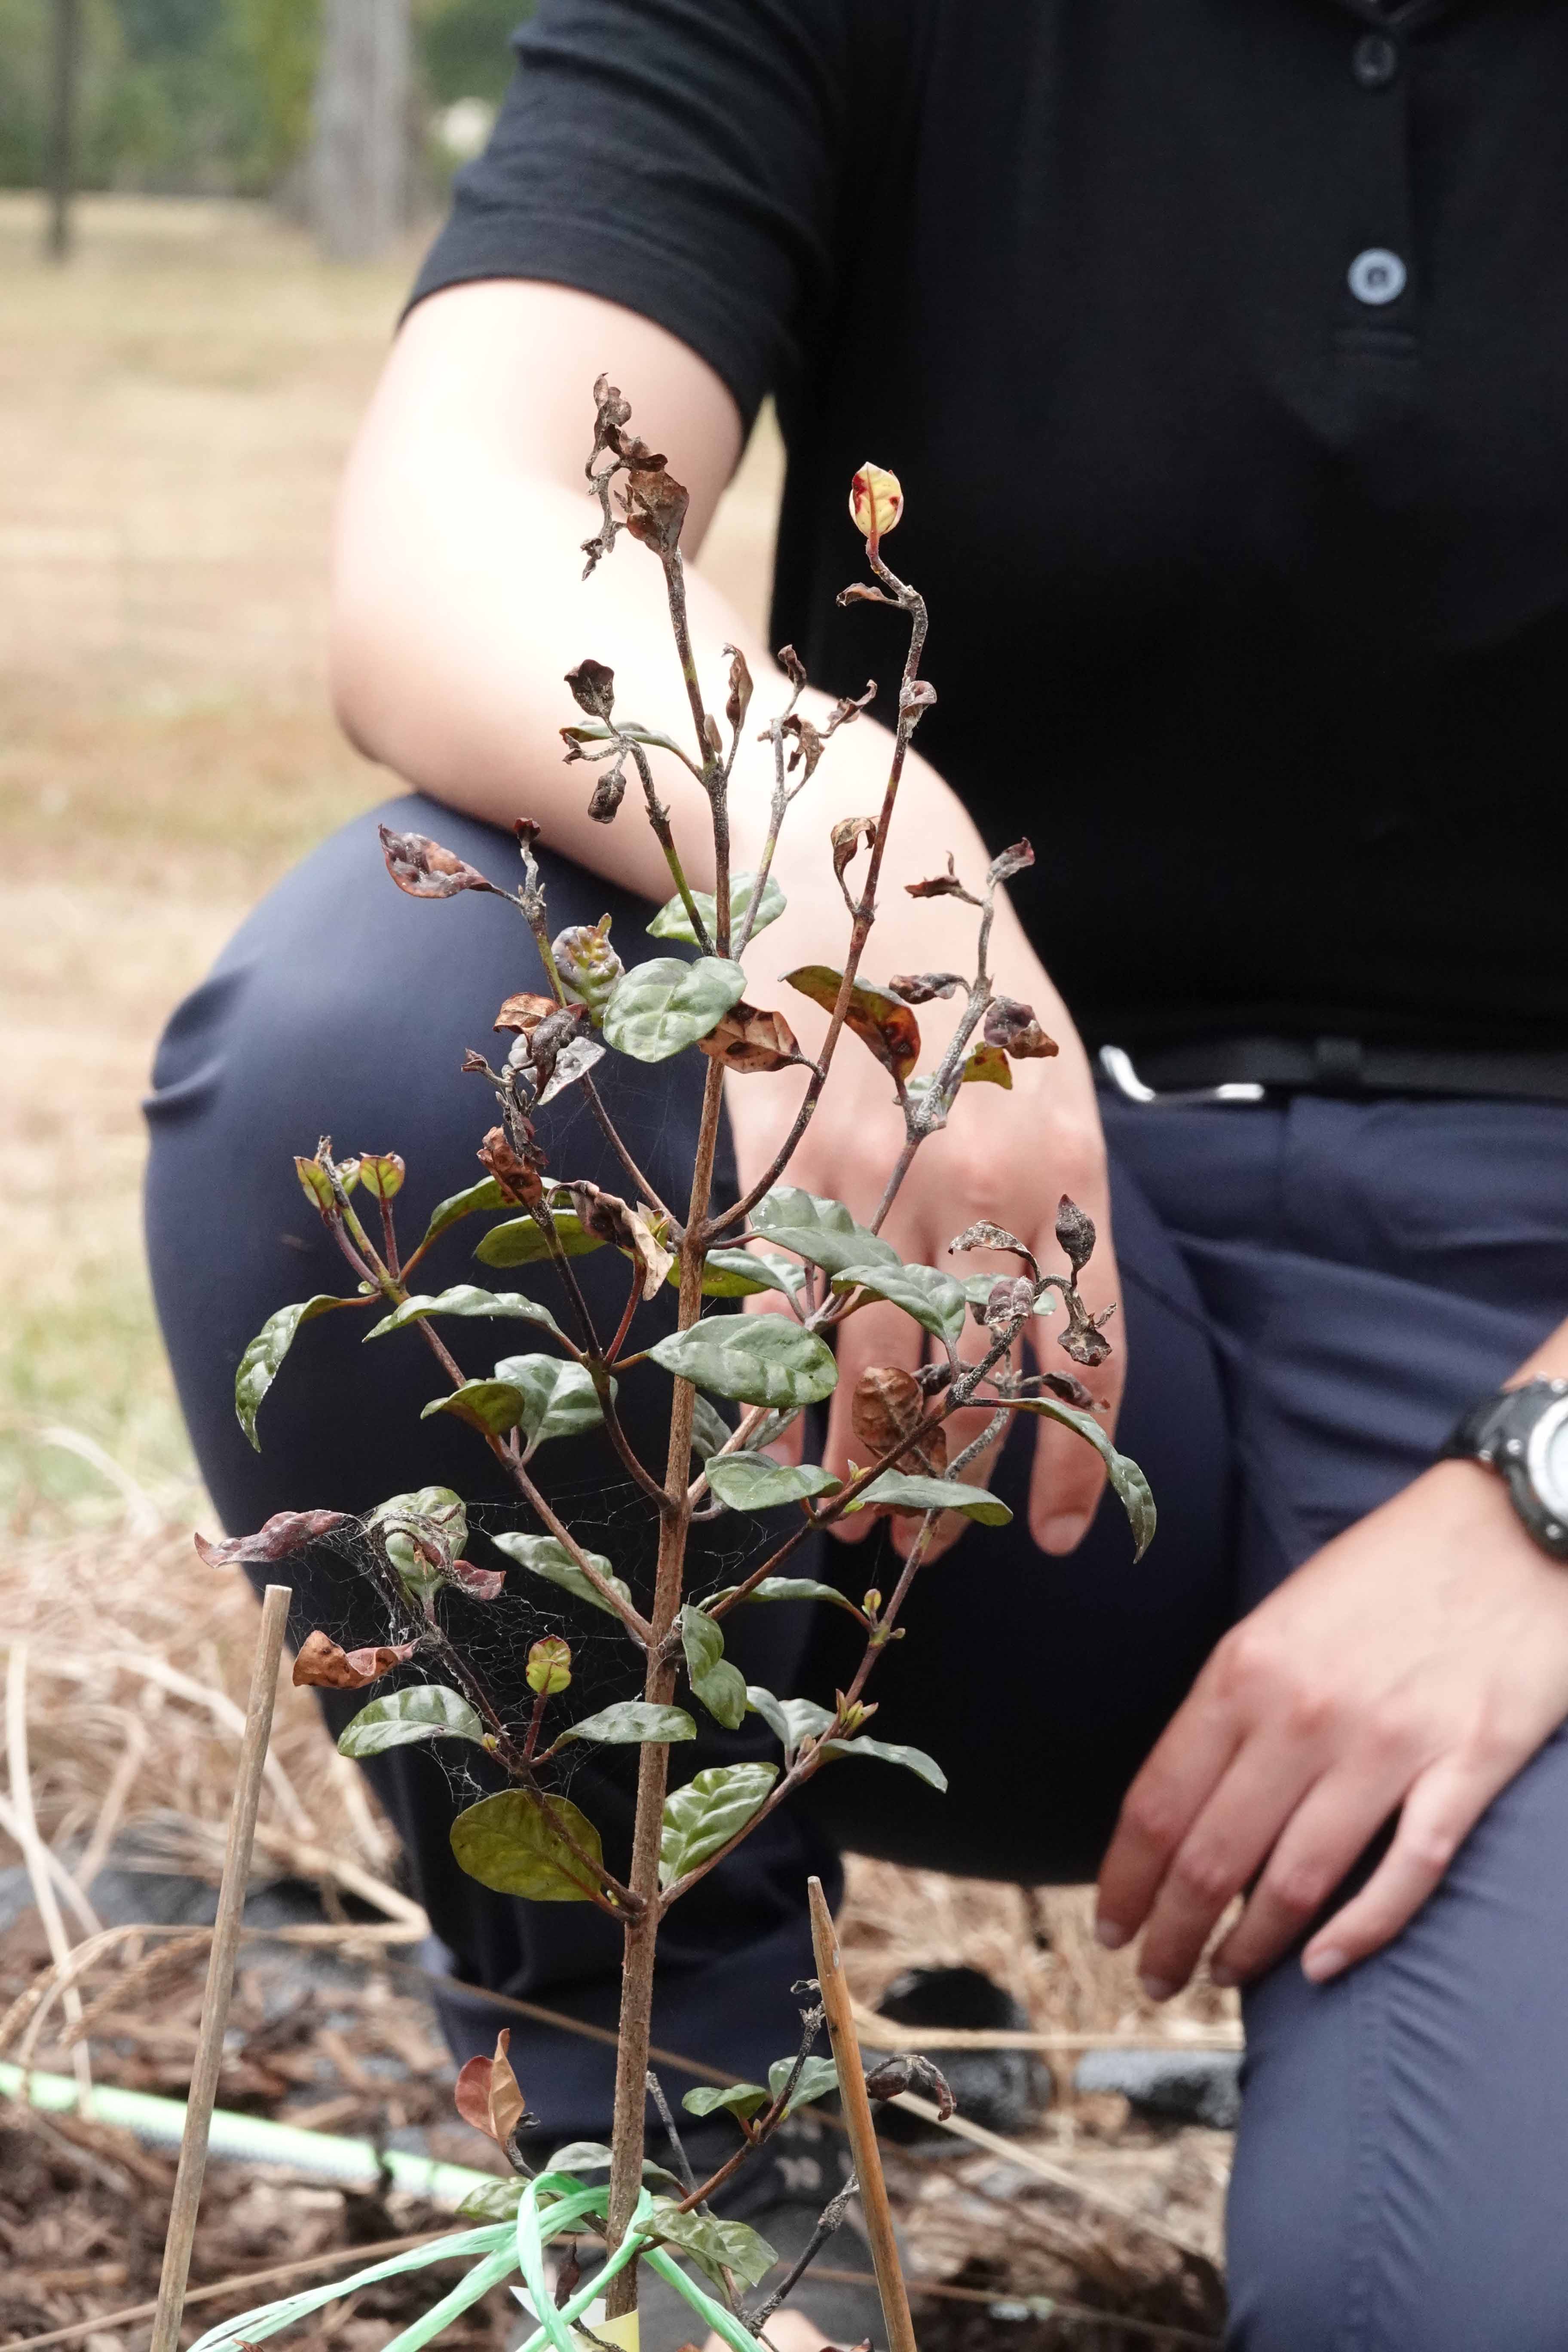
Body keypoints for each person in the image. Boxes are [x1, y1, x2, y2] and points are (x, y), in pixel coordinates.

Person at [144, 3, 1568, 2344]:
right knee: (384, 1025)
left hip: (1534, 1388)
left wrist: (1545, 1491)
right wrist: (841, 837)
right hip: (988, 1291)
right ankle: (669, 2150)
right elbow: (460, 514)